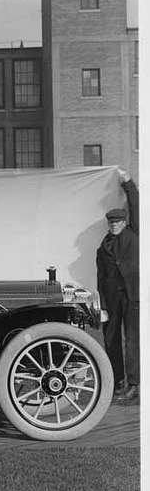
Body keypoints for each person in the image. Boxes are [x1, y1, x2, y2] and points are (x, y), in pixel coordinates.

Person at [96, 168, 139, 402]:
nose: (114, 225)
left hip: (134, 297)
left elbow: (135, 204)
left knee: (133, 341)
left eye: (118, 222)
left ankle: (134, 384)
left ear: (125, 223)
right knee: (111, 340)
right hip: (111, 300)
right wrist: (102, 305)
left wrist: (128, 183)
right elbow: (100, 279)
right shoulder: (101, 248)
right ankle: (118, 382)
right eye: (111, 223)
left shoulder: (135, 233)